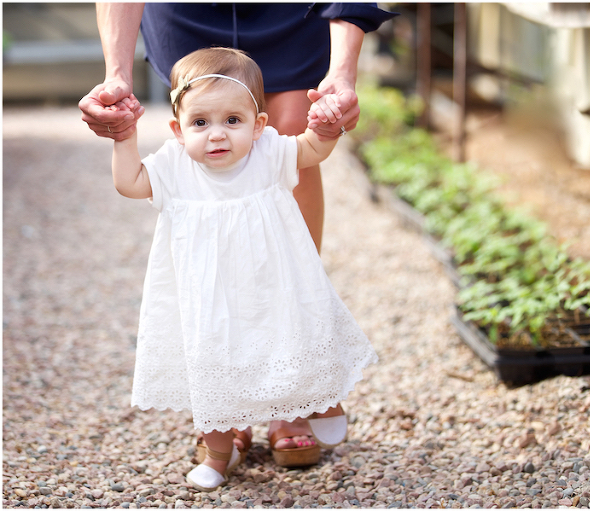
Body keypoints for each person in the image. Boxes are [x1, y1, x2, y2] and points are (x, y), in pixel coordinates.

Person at [79, 3, 396, 467]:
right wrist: (116, 82)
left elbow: (311, 147)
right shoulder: (170, 160)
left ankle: (294, 396)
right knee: (205, 103)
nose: (218, 133)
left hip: (289, 10)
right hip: (187, 10)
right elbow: (134, 178)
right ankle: (230, 410)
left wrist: (338, 85)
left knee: (287, 128)